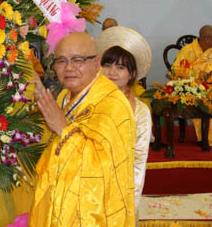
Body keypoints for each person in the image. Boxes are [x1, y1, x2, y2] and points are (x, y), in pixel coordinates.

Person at [30, 32, 136, 227]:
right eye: (61, 61)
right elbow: (53, 144)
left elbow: (105, 169)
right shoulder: (65, 96)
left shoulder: (113, 104)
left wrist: (63, 129)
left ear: (96, 63)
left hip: (91, 212)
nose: (69, 68)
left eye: (78, 60)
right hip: (61, 199)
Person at [97, 26, 153, 225]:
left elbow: (139, 161)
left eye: (120, 67)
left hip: (121, 189)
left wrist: (130, 203)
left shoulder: (140, 112)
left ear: (132, 73)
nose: (112, 72)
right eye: (107, 65)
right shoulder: (88, 101)